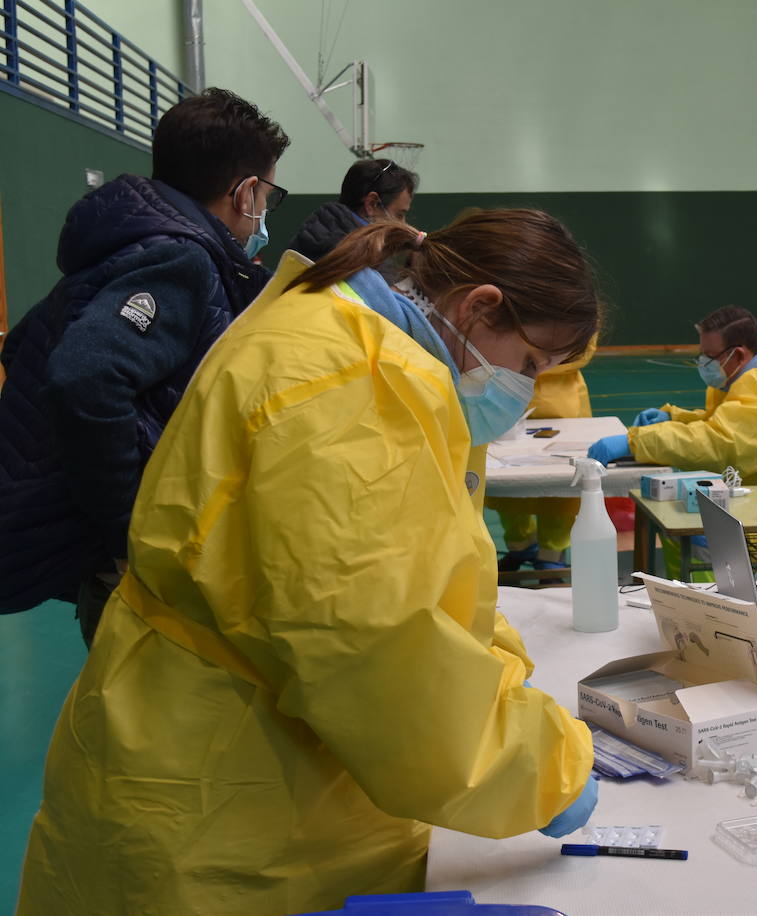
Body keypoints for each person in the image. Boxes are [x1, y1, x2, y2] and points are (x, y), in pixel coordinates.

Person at [16, 208, 603, 915]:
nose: (527, 387)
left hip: (202, 746)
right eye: (532, 363)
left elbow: (422, 590)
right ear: (479, 308)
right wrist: (547, 769)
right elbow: (380, 656)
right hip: (225, 806)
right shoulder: (362, 384)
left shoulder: (332, 331)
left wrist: (509, 693)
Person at [0, 88, 290, 643]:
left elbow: (26, 344)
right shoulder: (181, 256)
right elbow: (83, 378)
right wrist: (130, 528)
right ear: (247, 191)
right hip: (128, 567)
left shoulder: (128, 238)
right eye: (267, 196)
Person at [588, 305, 757, 510]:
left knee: (684, 523)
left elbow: (719, 444)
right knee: (677, 513)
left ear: (738, 354)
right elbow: (726, 423)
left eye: (710, 356)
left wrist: (635, 442)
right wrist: (673, 418)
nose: (703, 362)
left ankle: (708, 584)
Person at [488, 337, 598, 571]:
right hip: (510, 391)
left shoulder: (580, 307)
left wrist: (525, 358)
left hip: (561, 402)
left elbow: (582, 347)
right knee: (506, 478)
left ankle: (551, 554)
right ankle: (519, 545)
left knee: (561, 483)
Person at [285, 157, 419, 263]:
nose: (403, 224)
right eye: (399, 214)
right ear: (372, 204)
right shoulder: (362, 260)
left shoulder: (311, 236)